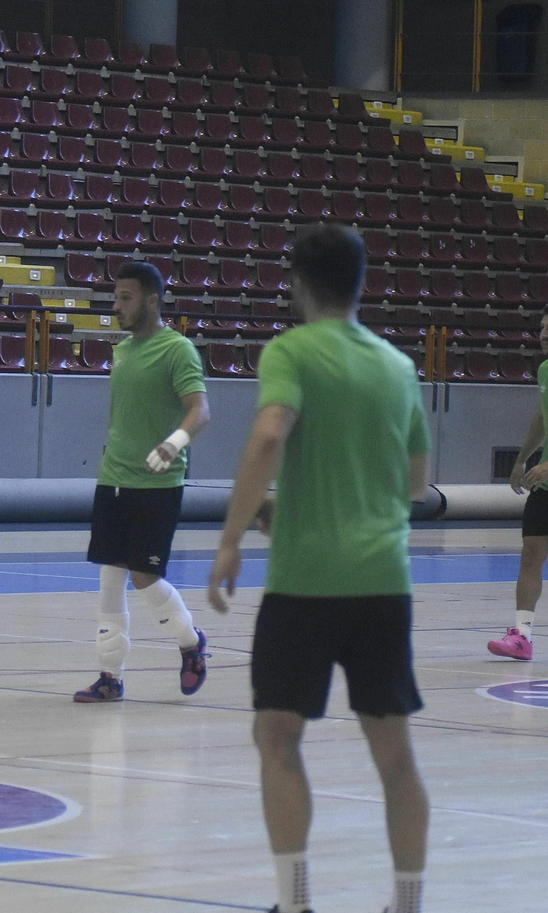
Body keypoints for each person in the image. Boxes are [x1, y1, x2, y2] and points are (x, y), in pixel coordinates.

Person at [209, 224, 430, 913]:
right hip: (384, 582)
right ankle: (408, 903)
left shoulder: (291, 351)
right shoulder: (397, 366)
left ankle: (296, 902)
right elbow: (416, 483)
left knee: (276, 736)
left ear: (297, 281)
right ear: (361, 282)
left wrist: (233, 535)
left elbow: (272, 432)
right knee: (394, 756)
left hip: (306, 584)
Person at [74, 261, 212, 703]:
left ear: (152, 300)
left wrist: (172, 444)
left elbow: (200, 410)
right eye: (116, 297)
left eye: (126, 298)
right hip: (113, 478)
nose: (117, 306)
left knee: (145, 579)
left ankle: (191, 644)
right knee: (109, 579)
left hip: (158, 484)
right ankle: (109, 676)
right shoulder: (123, 351)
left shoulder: (178, 350)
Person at [494, 306, 548, 660]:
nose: (543, 333)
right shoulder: (545, 369)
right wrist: (521, 459)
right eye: (542, 327)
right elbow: (542, 416)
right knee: (531, 552)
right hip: (545, 484)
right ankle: (522, 636)